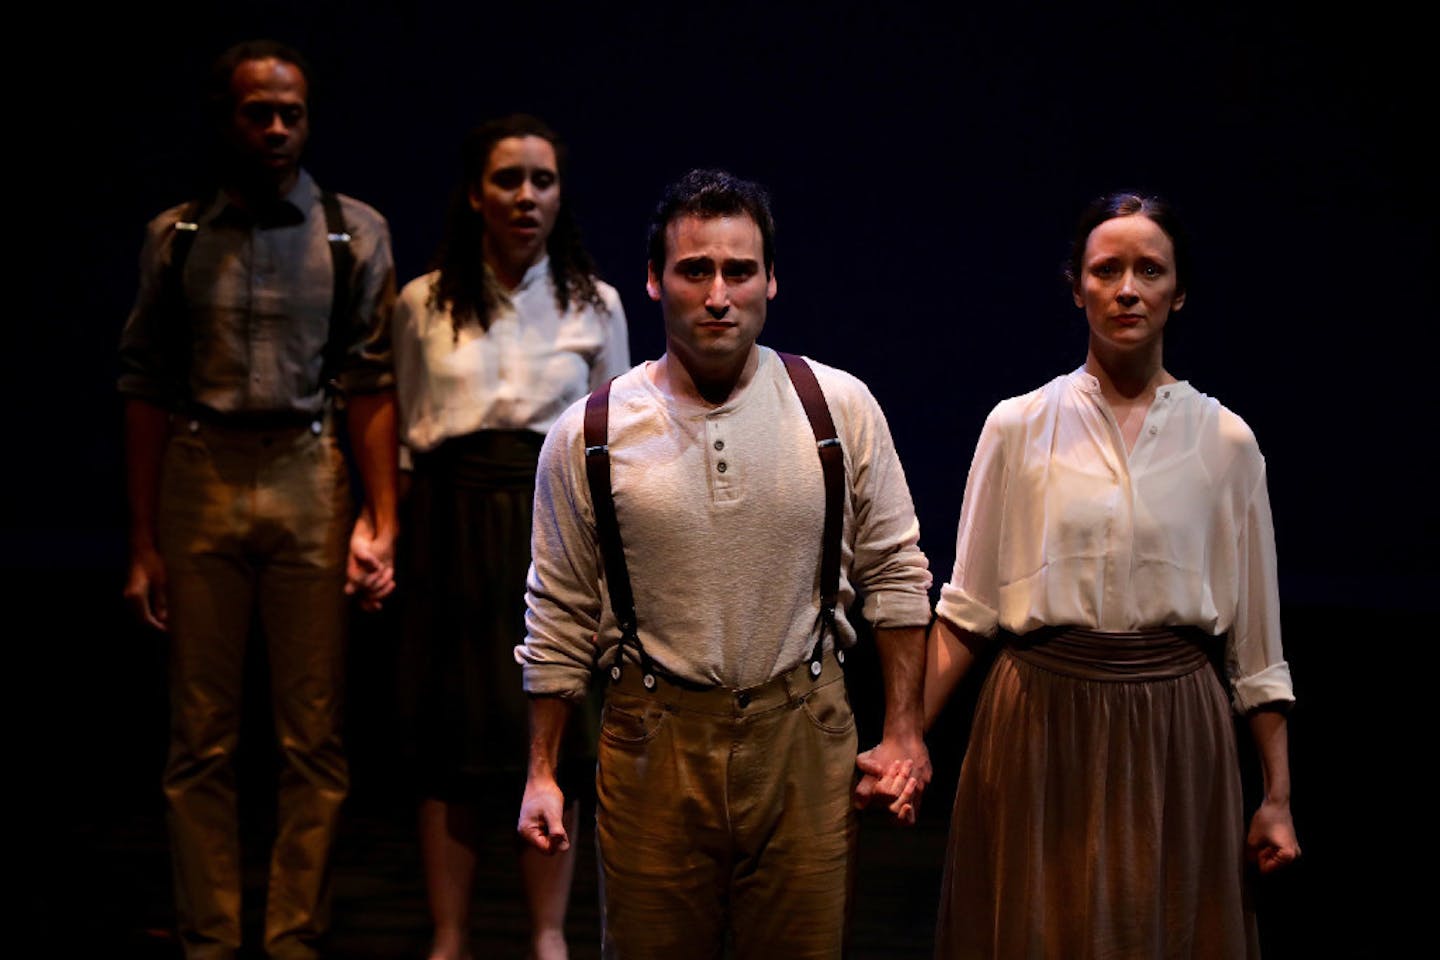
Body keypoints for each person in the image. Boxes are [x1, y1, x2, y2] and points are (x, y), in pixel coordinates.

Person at [515, 168, 933, 959]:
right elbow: (558, 611)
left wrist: (904, 732)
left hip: (805, 732)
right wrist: (541, 772)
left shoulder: (836, 407)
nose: (718, 294)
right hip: (652, 742)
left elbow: (896, 574)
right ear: (652, 280)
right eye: (694, 270)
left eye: (739, 270)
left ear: (770, 280)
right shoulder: (590, 432)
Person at [919, 192, 1300, 957]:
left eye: (1149, 270)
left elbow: (1257, 647)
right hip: (1039, 720)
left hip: (1174, 729)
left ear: (1178, 291)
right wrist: (905, 739)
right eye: (1107, 269)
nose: (1127, 288)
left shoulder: (1225, 441)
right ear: (1077, 286)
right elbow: (965, 610)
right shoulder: (1018, 425)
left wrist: (1278, 797)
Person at [118, 40, 398, 960]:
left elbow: (369, 381)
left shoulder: (351, 231)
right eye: (257, 112)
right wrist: (143, 542)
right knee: (200, 735)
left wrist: (380, 516)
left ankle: (290, 939)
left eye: (292, 113)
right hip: (200, 470)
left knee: (310, 732)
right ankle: (208, 936)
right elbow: (145, 383)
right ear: (226, 118)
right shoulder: (179, 234)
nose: (276, 128)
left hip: (306, 470)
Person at [391, 114, 629, 960]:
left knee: (551, 723)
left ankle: (548, 936)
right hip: (450, 531)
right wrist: (387, 535)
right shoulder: (421, 301)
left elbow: (615, 445)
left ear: (561, 195)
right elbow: (409, 438)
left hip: (551, 524)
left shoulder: (595, 304)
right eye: (507, 180)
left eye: (543, 180)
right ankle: (449, 937)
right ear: (474, 194)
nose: (526, 196)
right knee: (449, 739)